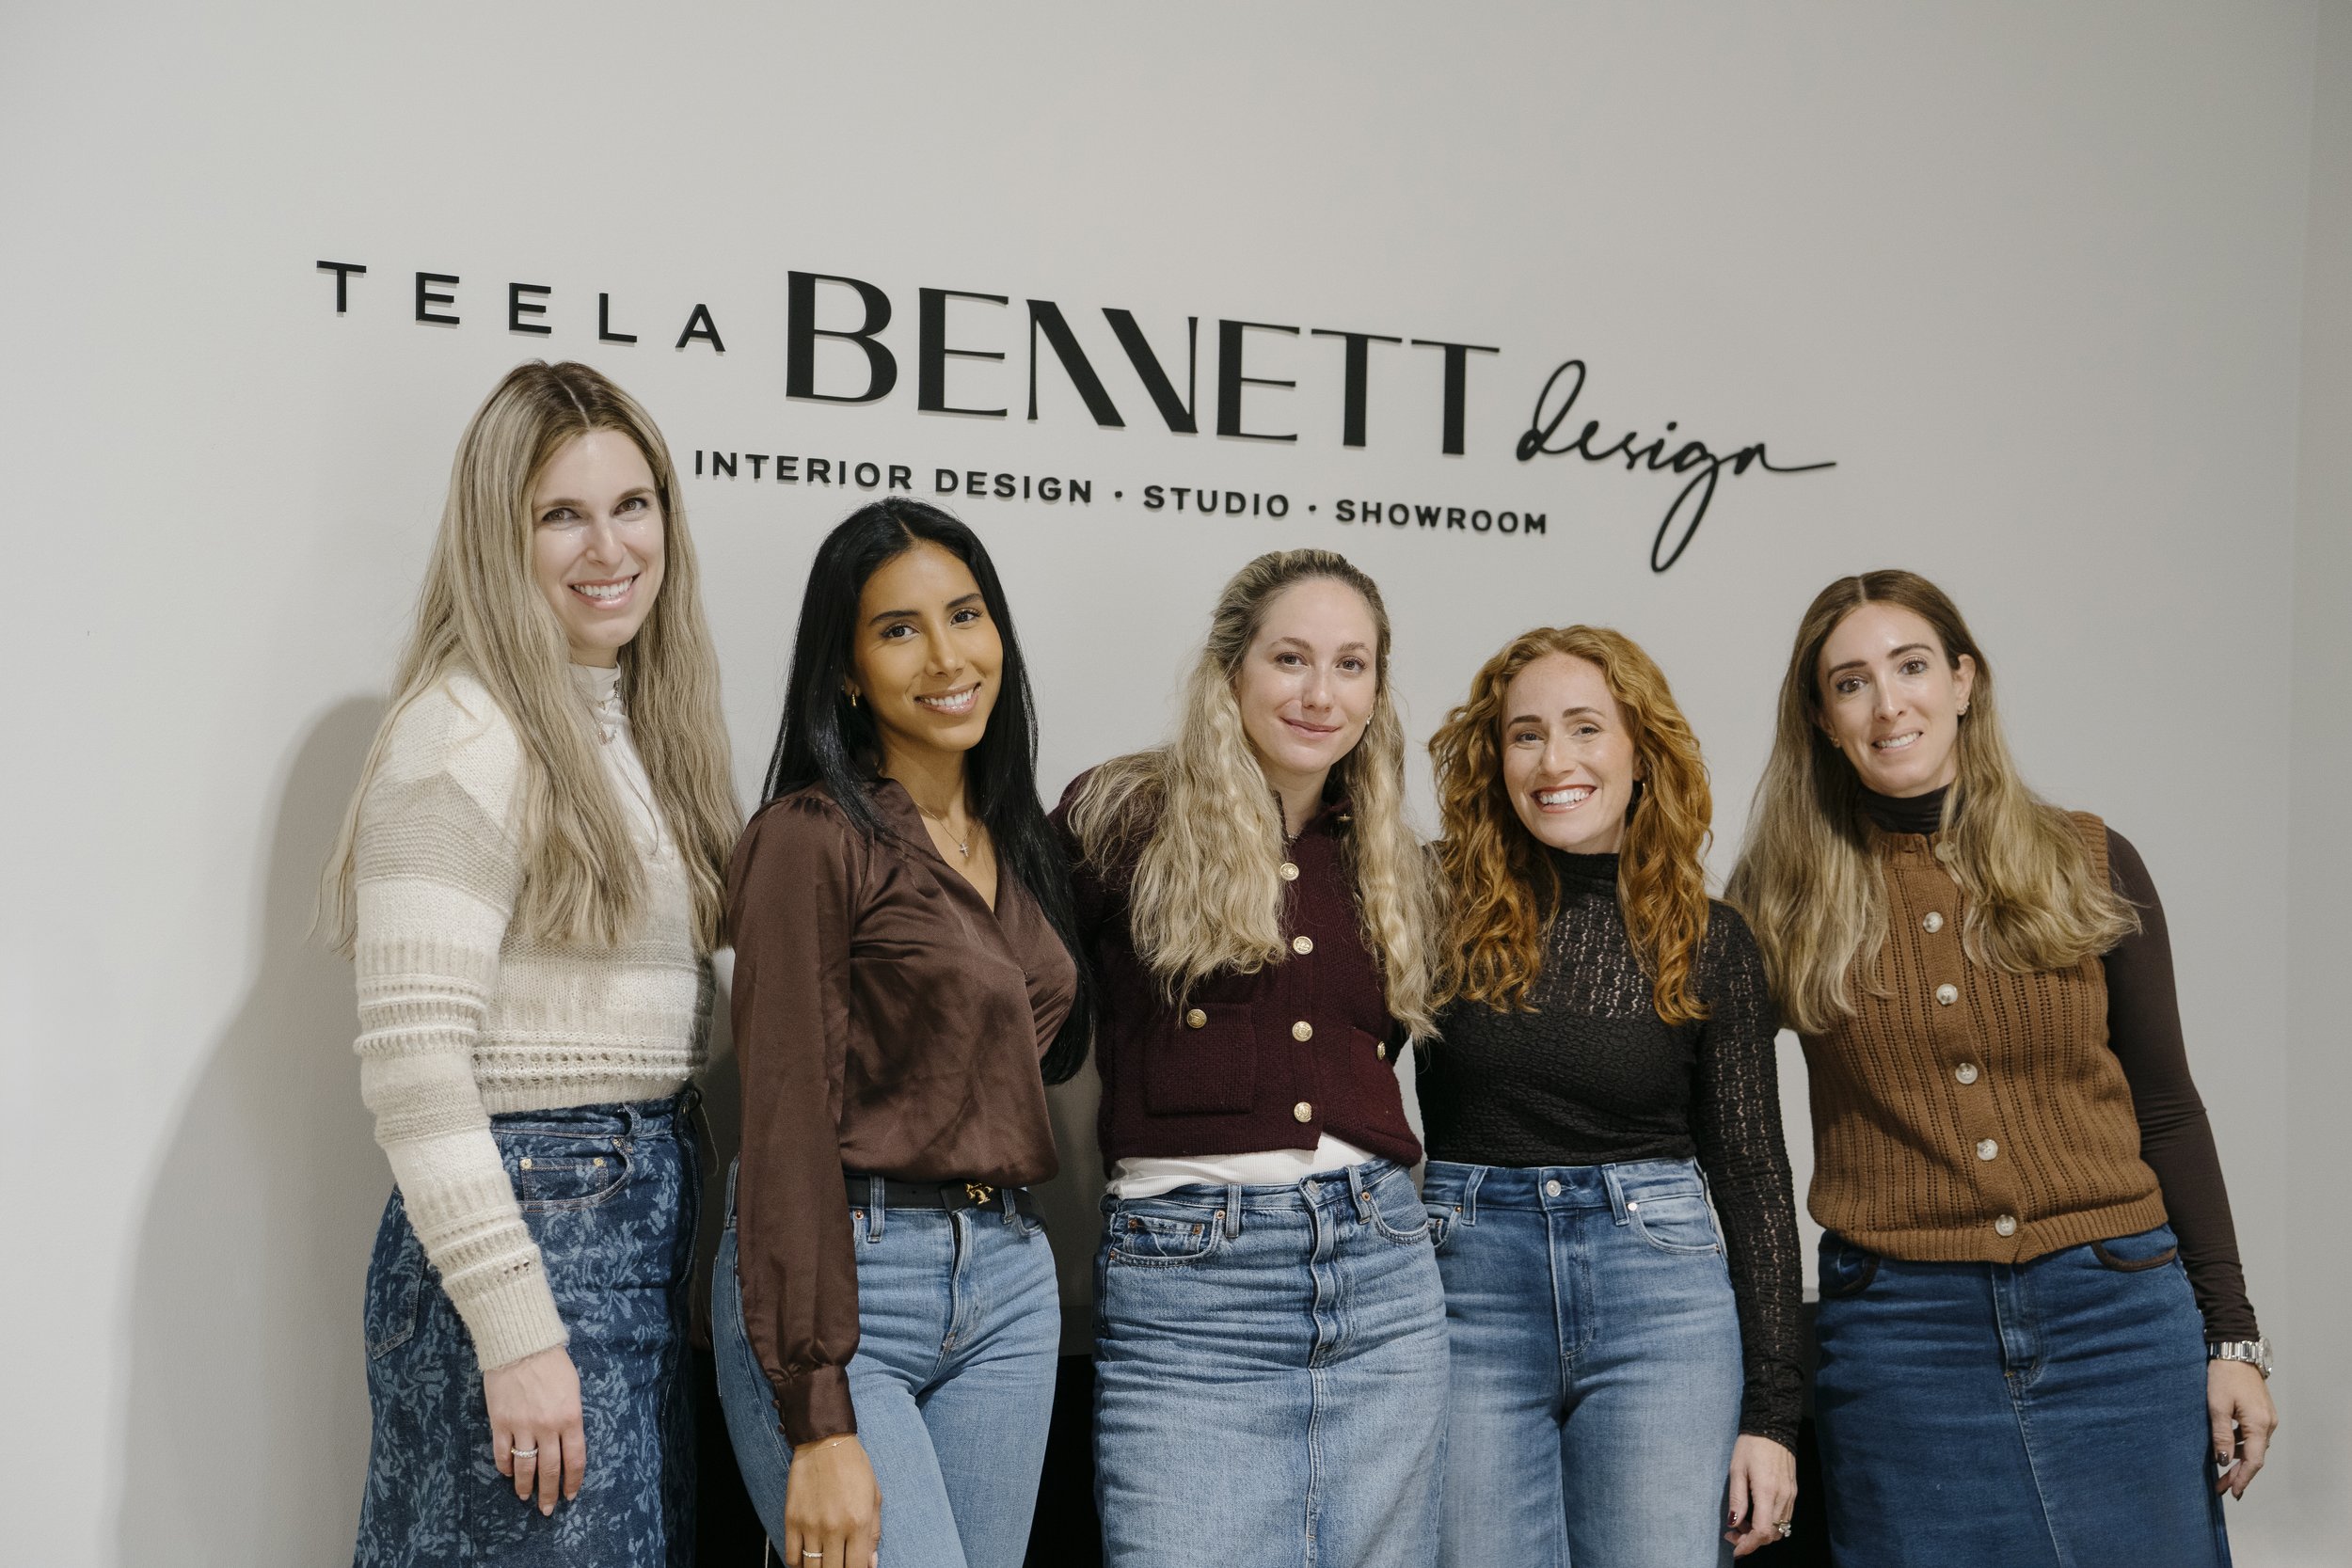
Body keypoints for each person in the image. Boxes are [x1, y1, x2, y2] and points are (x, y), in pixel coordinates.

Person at [1725, 569, 2277, 1566]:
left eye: (1911, 666)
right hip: (1900, 1337)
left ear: (1964, 679)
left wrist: (2229, 1335)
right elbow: (1731, 1141)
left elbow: (2167, 1109)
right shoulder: (1779, 903)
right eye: (1851, 682)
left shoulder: (2087, 858)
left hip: (2118, 1308)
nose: (1889, 701)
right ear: (1819, 715)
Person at [329, 360, 739, 1566]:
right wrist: (515, 1328)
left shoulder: (648, 725)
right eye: (561, 513)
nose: (608, 546)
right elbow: (414, 1064)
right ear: (497, 537)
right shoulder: (462, 729)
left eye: (632, 504)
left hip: (640, 1204)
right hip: (532, 1226)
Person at [714, 499, 1088, 1568]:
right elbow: (784, 1119)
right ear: (845, 670)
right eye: (897, 629)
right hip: (849, 1283)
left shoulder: (1019, 843)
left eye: (965, 615)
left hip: (1011, 1280)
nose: (945, 655)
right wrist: (817, 1411)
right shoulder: (808, 838)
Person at [1057, 548, 1445, 1568]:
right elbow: (1028, 1004)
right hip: (1192, 1283)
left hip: (1382, 1272)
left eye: (1352, 664)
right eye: (1291, 658)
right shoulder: (1120, 814)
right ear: (1231, 668)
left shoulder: (1389, 852)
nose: (1322, 693)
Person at [1421, 625, 1804, 1564]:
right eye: (1526, 733)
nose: (1556, 760)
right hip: (1467, 1295)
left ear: (1641, 749)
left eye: (1586, 728)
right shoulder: (1429, 904)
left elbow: (1753, 1178)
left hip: (1662, 1305)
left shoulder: (1714, 940)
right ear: (1493, 756)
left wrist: (1772, 1413)